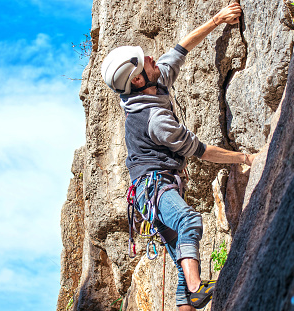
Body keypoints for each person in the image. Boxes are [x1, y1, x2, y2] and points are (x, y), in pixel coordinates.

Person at [101, 3, 254, 310]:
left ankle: (189, 296)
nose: (152, 58)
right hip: (153, 188)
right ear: (138, 80)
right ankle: (198, 290)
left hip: (154, 189)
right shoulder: (154, 119)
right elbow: (201, 151)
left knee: (183, 265)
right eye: (145, 61)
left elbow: (180, 48)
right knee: (188, 221)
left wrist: (217, 19)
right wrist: (244, 158)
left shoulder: (152, 83)